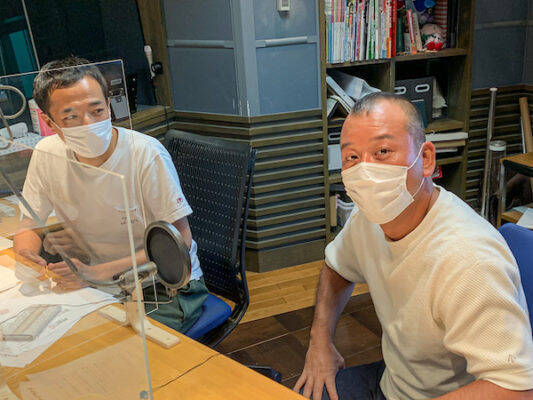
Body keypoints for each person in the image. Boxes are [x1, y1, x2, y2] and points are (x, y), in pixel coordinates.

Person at [294, 92, 533, 399]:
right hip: (393, 382)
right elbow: (337, 267)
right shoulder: (368, 218)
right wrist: (319, 342)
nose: (365, 172)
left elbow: (517, 388)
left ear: (426, 159)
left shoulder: (469, 259)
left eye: (382, 151)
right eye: (352, 157)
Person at [13, 57, 208, 333]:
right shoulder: (48, 153)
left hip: (162, 285)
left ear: (109, 105)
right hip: (99, 284)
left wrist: (94, 274)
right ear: (49, 122)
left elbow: (180, 241)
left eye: (97, 110)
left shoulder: (145, 153)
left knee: (113, 346)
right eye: (71, 117)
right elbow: (29, 224)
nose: (88, 123)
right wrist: (26, 255)